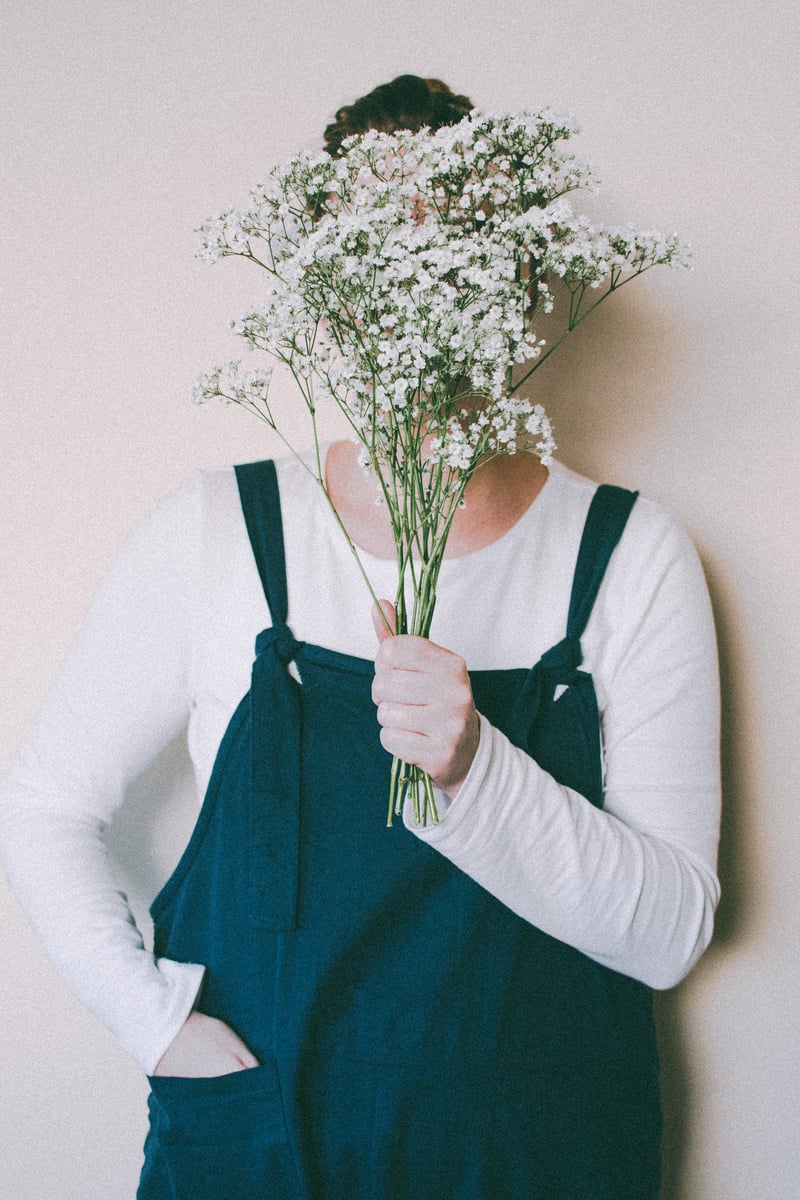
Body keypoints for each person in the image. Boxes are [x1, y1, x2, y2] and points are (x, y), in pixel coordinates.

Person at [0, 76, 720, 1199]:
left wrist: (474, 771)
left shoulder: (626, 555)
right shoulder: (220, 533)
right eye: (372, 252)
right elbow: (44, 806)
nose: (406, 287)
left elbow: (670, 932)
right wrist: (157, 1029)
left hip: (542, 1162)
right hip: (266, 1149)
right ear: (324, 283)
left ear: (512, 278)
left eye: (448, 244)